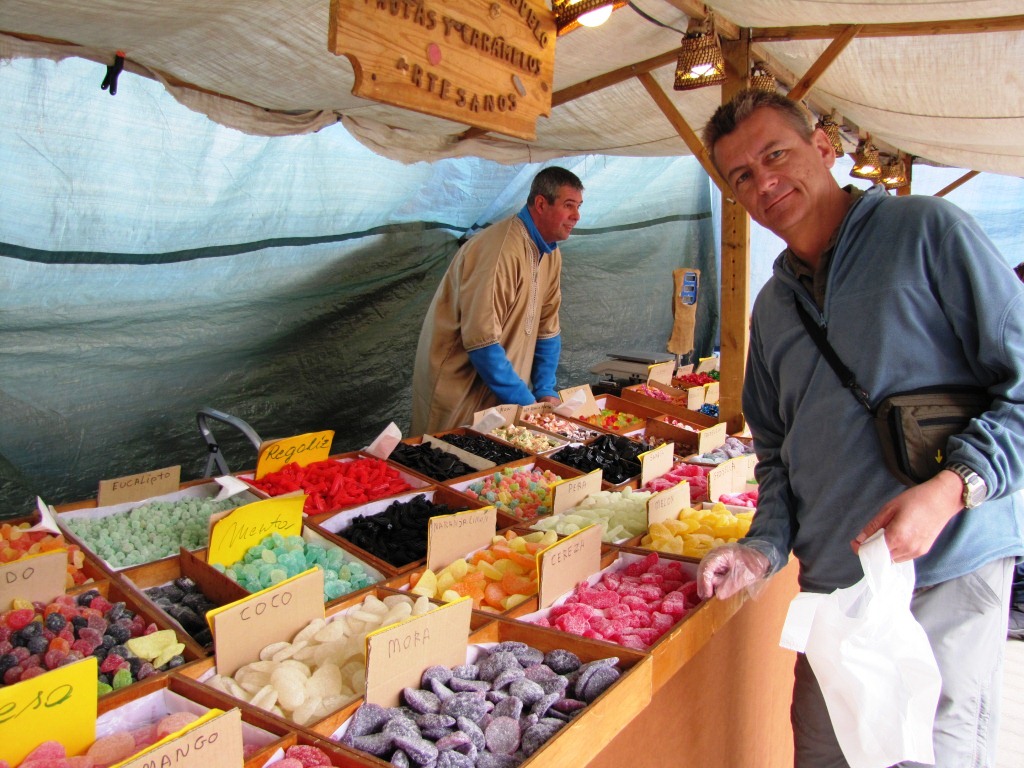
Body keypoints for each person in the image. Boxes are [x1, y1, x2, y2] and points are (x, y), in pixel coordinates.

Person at [696, 89, 1024, 767]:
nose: (765, 183)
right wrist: (762, 547)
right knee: (825, 753)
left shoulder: (928, 233)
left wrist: (952, 488)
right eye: (743, 177)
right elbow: (777, 455)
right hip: (836, 593)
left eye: (775, 155)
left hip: (946, 572)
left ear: (823, 147)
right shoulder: (774, 307)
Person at [411, 166, 583, 434]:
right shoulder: (500, 250)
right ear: (541, 204)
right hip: (462, 388)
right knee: (446, 454)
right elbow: (482, 343)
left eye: (579, 207)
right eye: (569, 205)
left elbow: (548, 330)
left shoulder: (550, 254)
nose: (576, 216)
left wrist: (545, 391)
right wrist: (526, 403)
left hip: (505, 396)